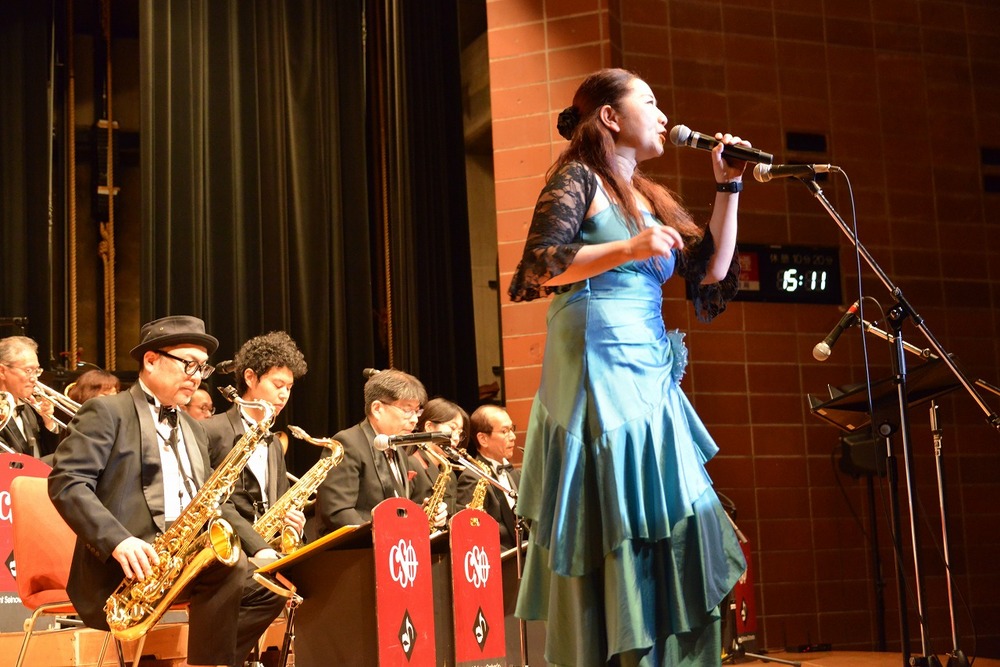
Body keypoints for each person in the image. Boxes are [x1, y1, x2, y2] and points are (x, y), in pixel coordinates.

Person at [507, 68, 748, 666]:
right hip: (599, 362)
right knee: (617, 509)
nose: (664, 116)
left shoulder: (647, 196)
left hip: (647, 369)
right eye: (650, 102)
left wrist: (729, 187)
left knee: (677, 511)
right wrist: (628, 248)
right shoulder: (578, 178)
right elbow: (542, 264)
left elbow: (710, 270)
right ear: (610, 117)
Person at [47, 315, 285, 667]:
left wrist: (260, 548)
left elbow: (211, 501)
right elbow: (68, 482)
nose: (196, 376)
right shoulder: (107, 411)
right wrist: (118, 540)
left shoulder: (194, 428)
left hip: (182, 561)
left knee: (268, 585)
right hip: (127, 566)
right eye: (188, 364)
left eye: (202, 368)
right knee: (230, 569)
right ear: (151, 360)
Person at [204, 331, 307, 557]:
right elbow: (214, 502)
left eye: (289, 387)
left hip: (268, 552)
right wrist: (258, 547)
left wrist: (293, 525)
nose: (284, 395)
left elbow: (279, 503)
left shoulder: (274, 442)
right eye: (278, 384)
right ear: (250, 378)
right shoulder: (211, 430)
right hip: (229, 554)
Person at [312, 368, 446, 537]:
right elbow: (337, 512)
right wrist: (383, 538)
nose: (414, 419)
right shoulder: (348, 443)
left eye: (417, 411)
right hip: (352, 549)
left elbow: (393, 507)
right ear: (377, 408)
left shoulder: (399, 451)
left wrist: (422, 513)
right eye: (407, 410)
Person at [455, 405, 522, 550]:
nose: (513, 437)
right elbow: (472, 534)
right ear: (483, 439)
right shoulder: (472, 478)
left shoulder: (514, 474)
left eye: (512, 429)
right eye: (504, 431)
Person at [0, 335, 60, 457]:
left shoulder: (29, 408)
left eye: (36, 371)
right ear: (2, 371)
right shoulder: (3, 413)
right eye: (28, 371)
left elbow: (50, 456)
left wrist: (48, 421)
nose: (34, 378)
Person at [409, 397, 469, 517]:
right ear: (429, 427)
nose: (456, 438)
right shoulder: (411, 464)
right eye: (452, 428)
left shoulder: (449, 472)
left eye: (460, 433)